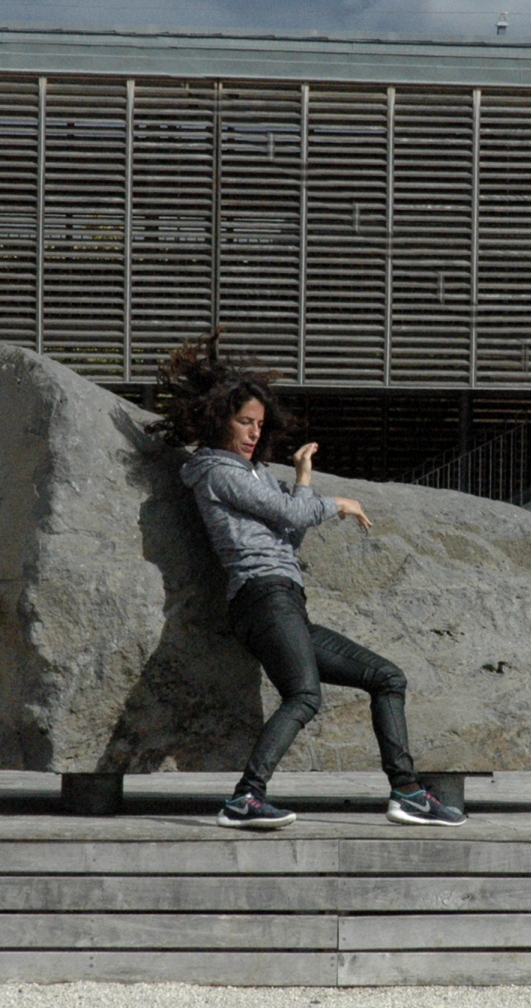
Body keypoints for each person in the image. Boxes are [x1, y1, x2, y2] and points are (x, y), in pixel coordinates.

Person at [158, 333, 466, 830]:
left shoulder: (253, 474)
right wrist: (335, 503)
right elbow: (286, 514)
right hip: (261, 597)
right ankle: (246, 797)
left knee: (387, 677)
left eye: (259, 424)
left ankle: (407, 793)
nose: (254, 433)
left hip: (284, 600)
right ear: (220, 421)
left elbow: (288, 531)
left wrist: (303, 477)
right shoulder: (216, 471)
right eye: (244, 423)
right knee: (303, 695)